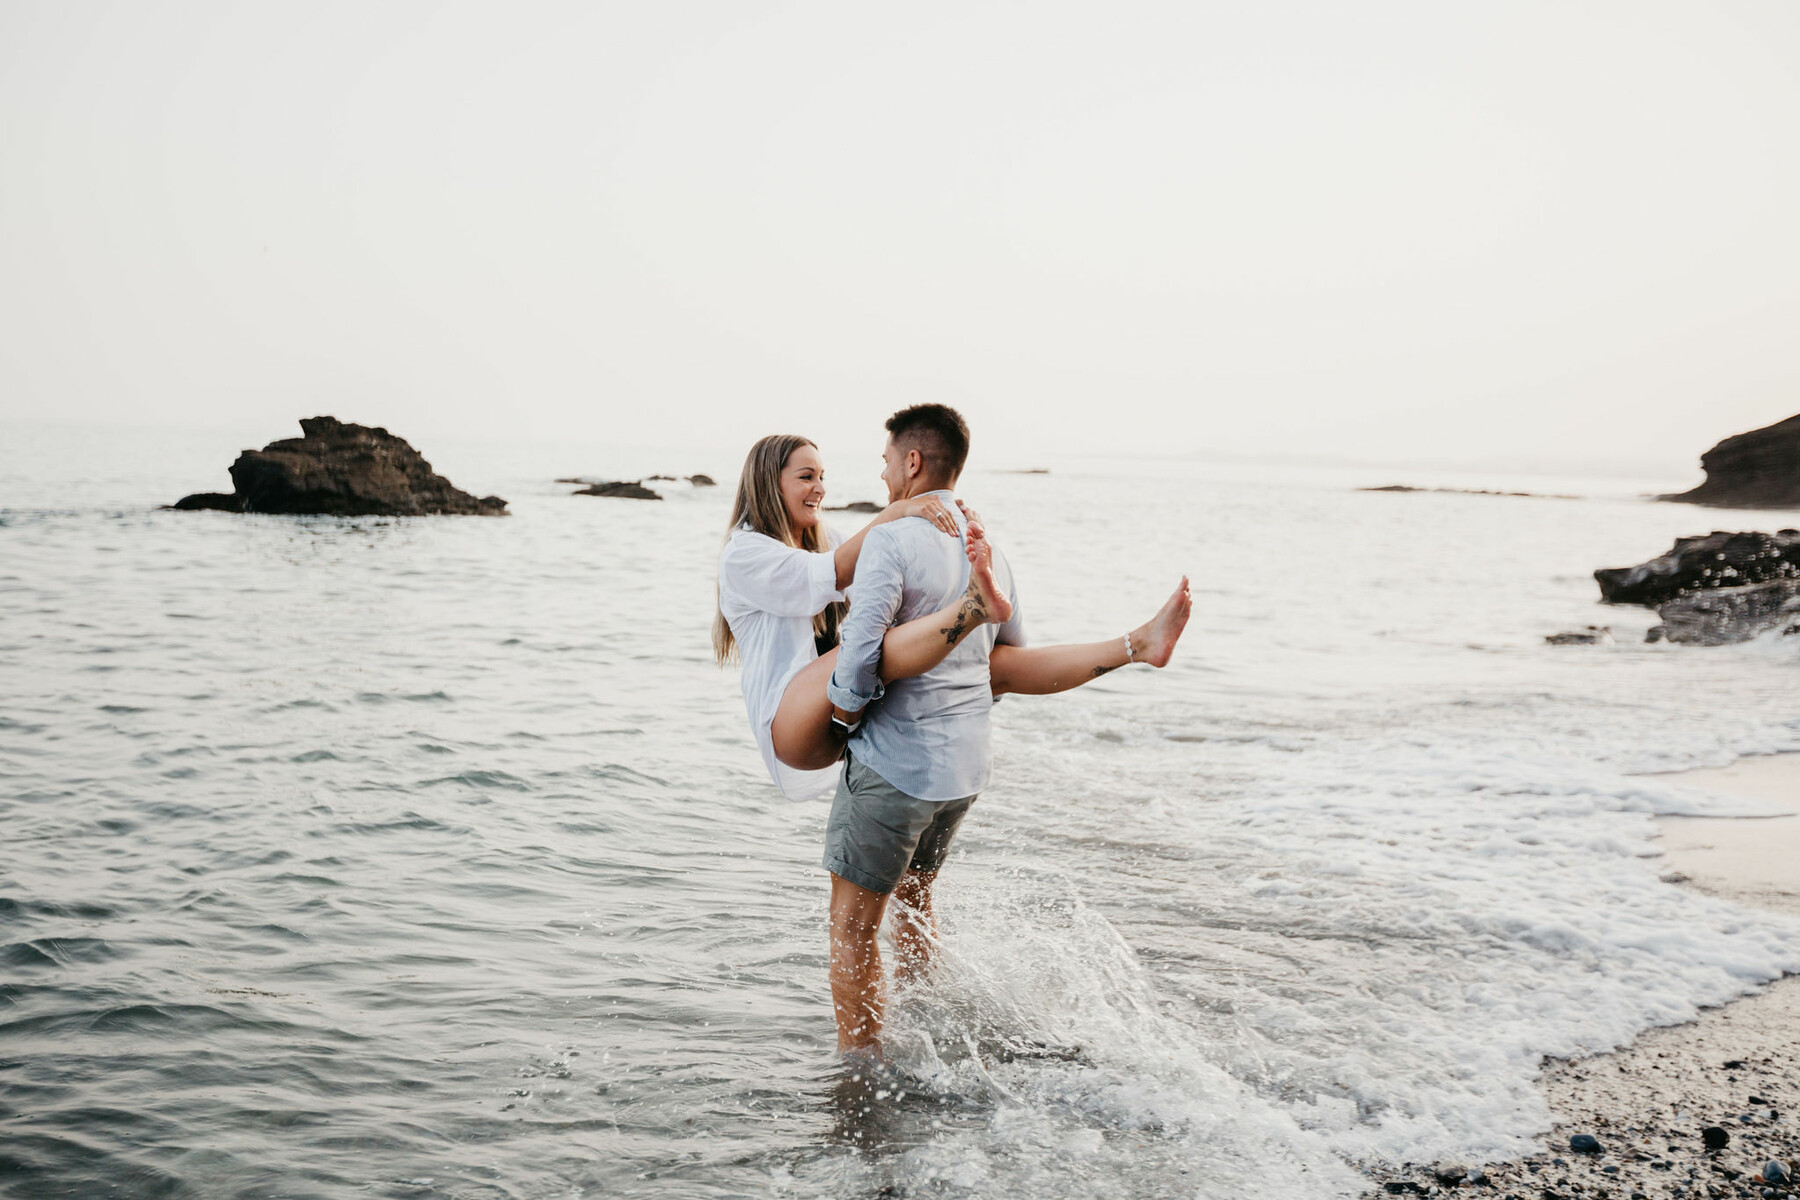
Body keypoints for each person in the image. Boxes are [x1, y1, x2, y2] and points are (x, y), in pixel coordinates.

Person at [712, 410, 1192, 1055]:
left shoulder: (902, 540)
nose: (824, 486)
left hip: (858, 732)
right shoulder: (751, 551)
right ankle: (1105, 638)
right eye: (807, 476)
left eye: (825, 474)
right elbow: (819, 585)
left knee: (888, 908)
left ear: (909, 461)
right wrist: (904, 518)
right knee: (894, 647)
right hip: (798, 722)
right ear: (767, 483)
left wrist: (876, 695)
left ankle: (891, 1051)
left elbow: (967, 662)